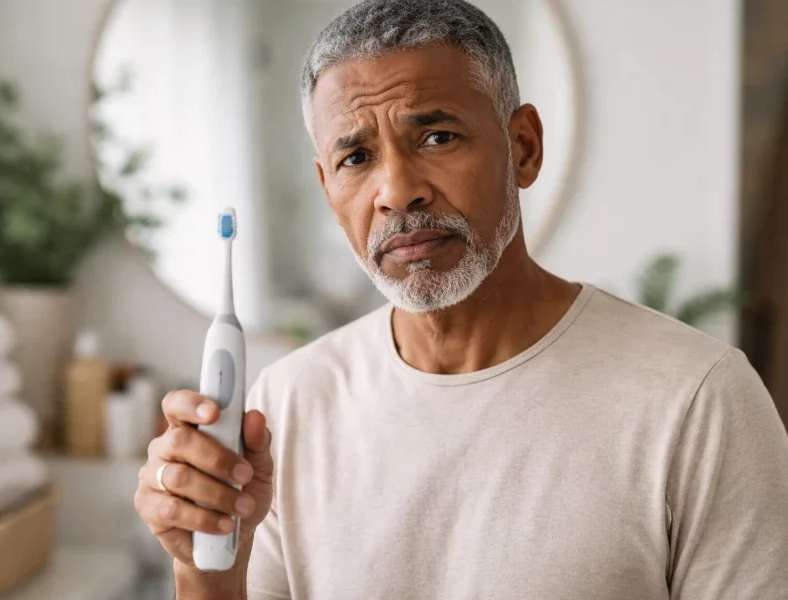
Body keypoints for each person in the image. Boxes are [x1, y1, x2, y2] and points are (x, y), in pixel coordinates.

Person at [134, 1, 788, 598]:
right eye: (356, 158)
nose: (397, 190)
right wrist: (203, 569)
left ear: (523, 148)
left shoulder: (699, 400)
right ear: (328, 188)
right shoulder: (284, 407)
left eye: (437, 137)